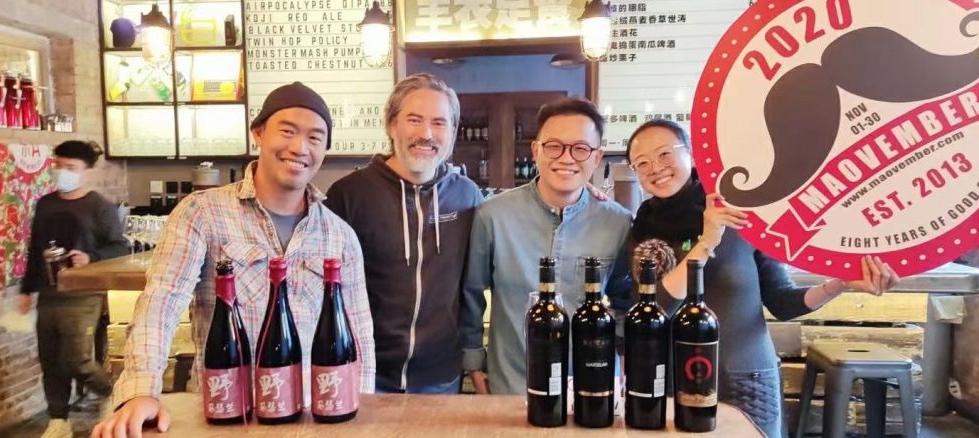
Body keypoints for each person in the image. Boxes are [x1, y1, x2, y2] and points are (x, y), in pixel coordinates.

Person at [91, 83, 376, 437]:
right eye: (288, 131)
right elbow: (162, 301)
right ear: (259, 133)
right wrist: (140, 391)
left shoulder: (339, 235)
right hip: (227, 415)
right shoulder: (202, 212)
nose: (300, 147)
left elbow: (360, 333)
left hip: (313, 420)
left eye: (315, 137)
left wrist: (362, 408)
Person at [625, 119, 900, 437]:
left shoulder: (741, 214)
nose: (655, 168)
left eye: (664, 154)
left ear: (691, 154)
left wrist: (840, 283)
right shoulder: (643, 229)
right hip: (672, 382)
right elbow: (656, 307)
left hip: (745, 379)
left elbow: (783, 301)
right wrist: (706, 242)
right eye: (641, 163)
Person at [460, 97, 633, 394]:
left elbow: (624, 301)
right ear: (535, 150)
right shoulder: (493, 215)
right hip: (514, 387)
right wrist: (474, 367)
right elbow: (471, 295)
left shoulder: (618, 222)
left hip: (592, 389)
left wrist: (622, 364)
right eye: (554, 146)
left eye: (580, 148)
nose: (566, 158)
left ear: (596, 157)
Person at [326, 74, 482, 394]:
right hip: (365, 376)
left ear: (452, 132)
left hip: (441, 379)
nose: (426, 134)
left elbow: (474, 286)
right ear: (391, 125)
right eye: (414, 120)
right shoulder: (348, 195)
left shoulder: (467, 197)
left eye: (439, 122)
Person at [18, 140, 129, 438]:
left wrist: (91, 257)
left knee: (76, 360)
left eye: (70, 167)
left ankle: (120, 397)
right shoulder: (46, 204)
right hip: (49, 293)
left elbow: (120, 247)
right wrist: (27, 290)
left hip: (83, 295)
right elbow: (35, 249)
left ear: (85, 171)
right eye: (58, 166)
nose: (62, 172)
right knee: (50, 360)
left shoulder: (99, 207)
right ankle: (58, 421)